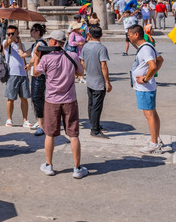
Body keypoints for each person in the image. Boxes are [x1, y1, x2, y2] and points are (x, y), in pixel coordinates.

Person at [31, 31, 88, 179]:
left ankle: (49, 165)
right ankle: (77, 168)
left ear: (55, 42)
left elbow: (35, 73)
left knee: (50, 134)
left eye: (50, 39)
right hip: (69, 99)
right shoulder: (72, 56)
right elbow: (80, 72)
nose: (48, 41)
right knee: (73, 134)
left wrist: (37, 56)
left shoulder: (46, 58)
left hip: (52, 100)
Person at [128, 25, 166, 154]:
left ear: (136, 35)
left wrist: (145, 79)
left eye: (129, 34)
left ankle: (154, 143)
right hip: (146, 86)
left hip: (144, 87)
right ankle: (156, 138)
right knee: (152, 113)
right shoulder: (146, 46)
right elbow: (160, 60)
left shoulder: (145, 49)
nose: (128, 36)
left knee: (149, 114)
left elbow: (153, 65)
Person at [79, 26, 113, 139]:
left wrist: (88, 69)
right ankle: (95, 129)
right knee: (97, 106)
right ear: (101, 35)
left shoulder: (86, 46)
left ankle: (94, 124)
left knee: (91, 104)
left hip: (90, 78)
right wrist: (107, 81)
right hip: (99, 80)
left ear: (89, 34)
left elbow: (82, 61)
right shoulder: (101, 48)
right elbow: (103, 65)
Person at [2, 25, 33, 128]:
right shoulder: (6, 43)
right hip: (12, 74)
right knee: (11, 98)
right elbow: (7, 43)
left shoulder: (21, 44)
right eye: (9, 34)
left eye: (12, 33)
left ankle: (25, 120)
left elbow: (23, 56)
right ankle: (9, 119)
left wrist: (27, 73)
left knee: (24, 98)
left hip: (22, 74)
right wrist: (12, 38)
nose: (10, 35)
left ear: (17, 33)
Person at [26, 24, 48, 136]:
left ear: (38, 31)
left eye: (33, 30)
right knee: (36, 99)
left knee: (37, 98)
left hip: (40, 75)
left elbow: (34, 58)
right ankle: (41, 121)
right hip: (35, 75)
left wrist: (28, 64)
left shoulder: (40, 44)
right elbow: (24, 54)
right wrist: (17, 41)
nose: (31, 32)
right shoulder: (35, 43)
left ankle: (42, 125)